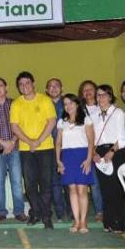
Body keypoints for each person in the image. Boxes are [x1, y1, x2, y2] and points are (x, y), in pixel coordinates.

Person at [10, 72, 56, 229]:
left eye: (27, 83)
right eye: (21, 84)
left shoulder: (45, 100)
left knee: (46, 184)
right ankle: (35, 213)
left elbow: (51, 122)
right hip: (25, 149)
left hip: (46, 148)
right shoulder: (16, 104)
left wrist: (38, 141)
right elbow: (14, 126)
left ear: (33, 83)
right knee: (29, 185)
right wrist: (30, 142)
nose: (24, 86)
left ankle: (46, 215)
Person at [0, 77, 27, 223]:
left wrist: (12, 142)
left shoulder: (16, 103)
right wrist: (4, 143)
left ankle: (19, 211)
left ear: (6, 87)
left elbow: (21, 125)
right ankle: (1, 211)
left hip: (14, 148)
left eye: (0, 86)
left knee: (16, 181)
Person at [55, 94, 95, 234]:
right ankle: (76, 221)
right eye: (65, 104)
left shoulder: (86, 120)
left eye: (71, 103)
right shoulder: (62, 122)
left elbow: (91, 142)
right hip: (67, 157)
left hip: (82, 156)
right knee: (72, 190)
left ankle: (84, 221)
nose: (68, 106)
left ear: (77, 104)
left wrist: (89, 159)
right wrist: (58, 161)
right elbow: (58, 142)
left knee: (82, 190)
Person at [92, 85, 125, 233]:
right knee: (104, 188)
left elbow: (123, 137)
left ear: (110, 96)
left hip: (115, 150)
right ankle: (108, 222)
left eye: (104, 95)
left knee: (116, 187)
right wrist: (94, 152)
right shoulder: (94, 115)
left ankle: (118, 223)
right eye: (98, 95)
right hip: (99, 152)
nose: (101, 98)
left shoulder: (118, 113)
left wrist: (112, 151)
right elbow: (91, 138)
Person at [78, 80, 104, 222]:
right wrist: (91, 151)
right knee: (94, 183)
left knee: (106, 182)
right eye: (85, 90)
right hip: (88, 150)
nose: (88, 92)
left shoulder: (104, 107)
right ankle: (99, 211)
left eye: (90, 89)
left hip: (105, 149)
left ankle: (110, 209)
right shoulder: (80, 111)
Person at [45, 78, 71, 222]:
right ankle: (60, 212)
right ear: (46, 90)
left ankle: (71, 211)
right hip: (49, 148)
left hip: (67, 148)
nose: (53, 88)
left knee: (68, 181)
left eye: (56, 86)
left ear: (62, 88)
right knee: (54, 182)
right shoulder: (43, 103)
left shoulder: (68, 103)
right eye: (50, 86)